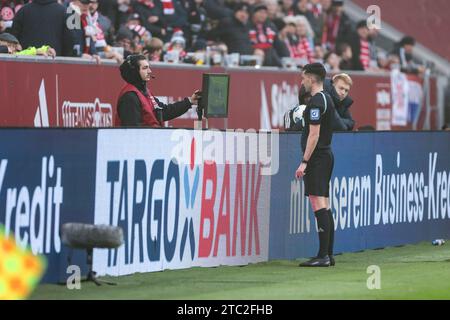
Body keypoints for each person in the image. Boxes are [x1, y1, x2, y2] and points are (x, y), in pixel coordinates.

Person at [295, 62, 335, 267]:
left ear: (311, 78)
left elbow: (314, 134)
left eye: (303, 78)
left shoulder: (316, 103)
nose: (302, 82)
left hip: (317, 157)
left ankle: (323, 256)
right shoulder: (327, 99)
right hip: (325, 155)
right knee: (325, 205)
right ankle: (328, 254)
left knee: (318, 204)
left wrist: (304, 162)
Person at [116, 54, 201, 127]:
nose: (150, 71)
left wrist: (190, 101)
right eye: (145, 68)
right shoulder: (129, 97)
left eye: (149, 67)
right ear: (134, 71)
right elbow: (133, 132)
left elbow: (164, 112)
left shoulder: (144, 92)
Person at [285, 72, 354, 132]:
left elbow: (350, 123)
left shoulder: (343, 102)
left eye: (346, 90)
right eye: (341, 88)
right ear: (333, 86)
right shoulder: (324, 97)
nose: (343, 93)